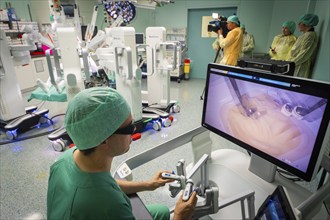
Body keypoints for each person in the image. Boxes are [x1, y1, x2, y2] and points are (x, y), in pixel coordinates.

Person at [47, 87, 197, 220]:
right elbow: (103, 195)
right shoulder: (110, 206)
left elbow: (105, 184)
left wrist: (149, 184)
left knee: (161, 211)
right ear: (103, 140)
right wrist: (180, 217)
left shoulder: (65, 160)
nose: (133, 131)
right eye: (128, 128)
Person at [287, 14, 319, 78]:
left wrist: (291, 64)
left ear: (306, 24)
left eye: (300, 23)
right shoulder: (305, 35)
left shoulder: (310, 35)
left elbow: (304, 54)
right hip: (294, 64)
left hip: (300, 66)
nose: (298, 24)